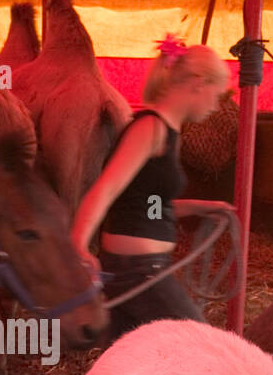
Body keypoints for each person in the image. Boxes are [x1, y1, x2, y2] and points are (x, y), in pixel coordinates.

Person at [71, 36, 234, 344]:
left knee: (128, 363)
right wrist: (77, 245)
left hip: (134, 271)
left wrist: (200, 206)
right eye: (216, 95)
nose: (215, 106)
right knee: (202, 349)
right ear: (198, 83)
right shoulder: (151, 128)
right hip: (139, 273)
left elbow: (148, 205)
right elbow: (105, 190)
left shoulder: (169, 133)